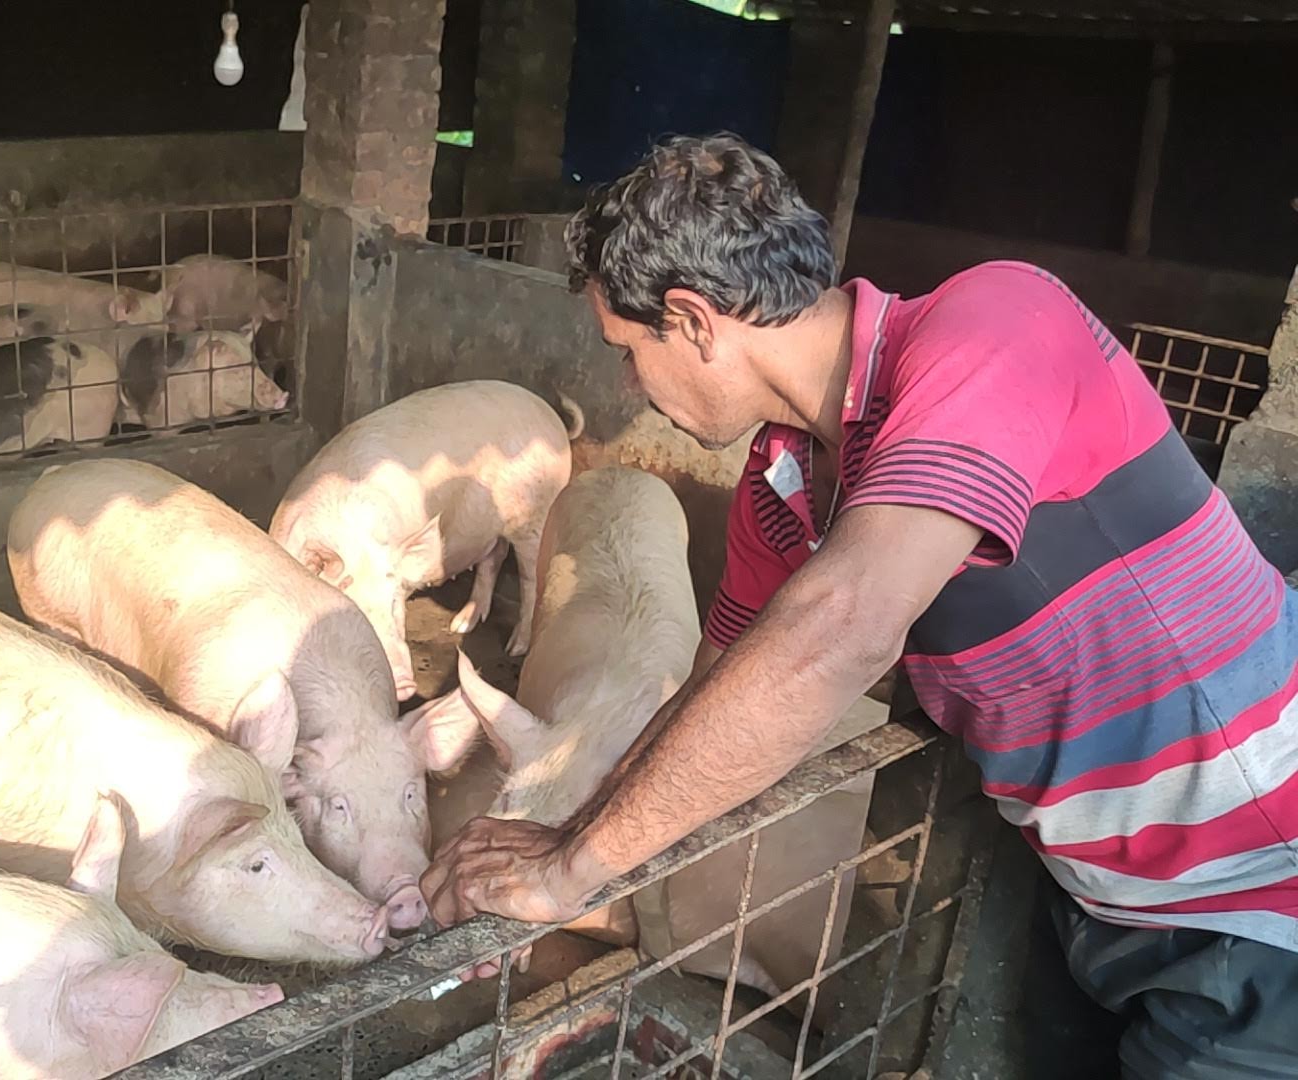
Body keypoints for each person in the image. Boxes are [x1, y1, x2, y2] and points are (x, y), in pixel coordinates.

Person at [419, 133, 1298, 1079]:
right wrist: (569, 825)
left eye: (628, 352)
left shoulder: (997, 322)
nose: (630, 384)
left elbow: (840, 629)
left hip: (1257, 891)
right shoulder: (781, 480)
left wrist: (571, 873)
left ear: (694, 320)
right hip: (1097, 899)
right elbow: (711, 691)